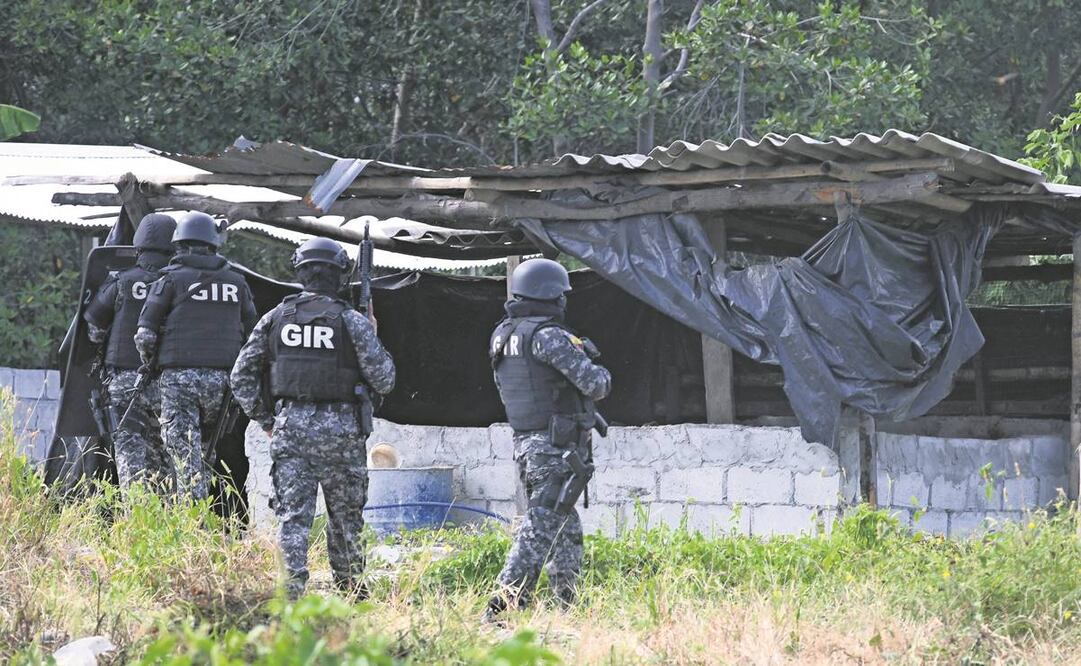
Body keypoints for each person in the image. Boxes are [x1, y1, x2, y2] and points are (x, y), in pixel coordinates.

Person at [230, 237, 395, 598]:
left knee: (292, 520)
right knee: (346, 520)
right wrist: (373, 334)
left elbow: (240, 376)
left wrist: (267, 422)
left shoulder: (276, 318)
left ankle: (290, 596)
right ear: (339, 275)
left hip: (291, 431)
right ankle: (351, 592)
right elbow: (384, 378)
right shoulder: (352, 321)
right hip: (342, 434)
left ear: (300, 272)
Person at [485, 257, 611, 621]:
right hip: (553, 447)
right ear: (551, 296)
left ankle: (567, 607)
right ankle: (502, 605)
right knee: (540, 526)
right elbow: (595, 384)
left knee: (565, 529)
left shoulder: (503, 335)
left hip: (528, 443)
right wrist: (599, 367)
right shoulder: (548, 336)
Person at [135, 211, 257, 500]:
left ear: (179, 244)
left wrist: (150, 364)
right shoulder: (237, 282)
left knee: (183, 456)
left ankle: (193, 525)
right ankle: (205, 517)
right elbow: (254, 337)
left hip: (179, 382)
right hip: (223, 385)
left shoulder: (169, 280)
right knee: (206, 452)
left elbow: (145, 335)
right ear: (214, 244)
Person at [83, 213, 176, 491]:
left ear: (138, 248)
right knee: (166, 455)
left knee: (129, 454)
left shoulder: (121, 281)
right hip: (167, 383)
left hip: (124, 381)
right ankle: (166, 520)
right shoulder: (178, 283)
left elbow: (94, 330)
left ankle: (135, 516)